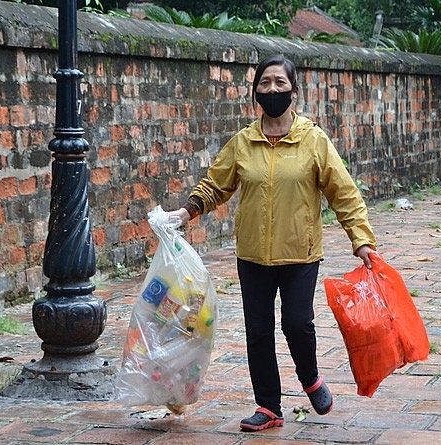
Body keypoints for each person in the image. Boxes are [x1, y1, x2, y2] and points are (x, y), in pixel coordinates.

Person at [166, 54, 376, 431]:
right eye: (265, 83)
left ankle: (310, 378)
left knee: (297, 323)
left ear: (293, 91)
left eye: (280, 83)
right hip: (252, 256)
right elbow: (216, 184)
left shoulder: (313, 140)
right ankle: (268, 407)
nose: (273, 89)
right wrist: (185, 213)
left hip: (300, 253)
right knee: (258, 331)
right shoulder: (243, 142)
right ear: (255, 92)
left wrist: (361, 240)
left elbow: (343, 193)